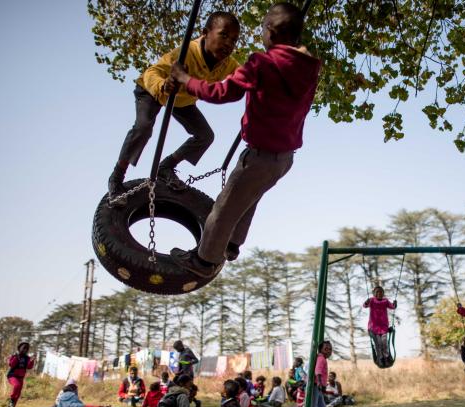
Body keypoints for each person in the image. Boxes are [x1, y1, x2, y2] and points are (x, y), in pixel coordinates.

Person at [169, 2, 321, 278]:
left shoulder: (260, 63)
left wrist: (186, 79)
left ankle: (204, 260)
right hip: (285, 159)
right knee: (251, 197)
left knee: (224, 208)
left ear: (271, 32)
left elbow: (223, 92)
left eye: (262, 28)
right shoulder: (309, 68)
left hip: (259, 155)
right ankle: (232, 244)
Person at [107, 11, 241, 199]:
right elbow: (153, 72)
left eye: (234, 40)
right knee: (144, 127)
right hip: (152, 90)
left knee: (205, 135)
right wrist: (164, 85)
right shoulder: (187, 52)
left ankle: (167, 166)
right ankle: (117, 176)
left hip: (182, 99)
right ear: (205, 32)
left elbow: (246, 76)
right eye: (224, 35)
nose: (228, 44)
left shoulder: (228, 64)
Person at [363, 286, 397, 366]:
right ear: (374, 294)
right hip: (374, 327)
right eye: (377, 292)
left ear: (383, 293)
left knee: (384, 343)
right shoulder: (371, 300)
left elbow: (392, 307)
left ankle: (386, 357)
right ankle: (380, 358)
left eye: (381, 292)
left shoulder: (385, 301)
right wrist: (366, 302)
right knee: (378, 343)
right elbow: (365, 306)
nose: (379, 293)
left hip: (383, 327)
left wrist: (395, 304)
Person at [40, 379, 111, 407]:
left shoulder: (64, 391)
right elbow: (76, 399)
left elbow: (59, 403)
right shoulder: (72, 392)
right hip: (71, 405)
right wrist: (81, 404)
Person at [6, 342, 35, 407]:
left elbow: (29, 367)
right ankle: (11, 400)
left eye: (26, 349)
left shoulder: (27, 358)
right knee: (17, 385)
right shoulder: (14, 356)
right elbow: (11, 364)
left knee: (18, 394)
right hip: (12, 375)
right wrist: (16, 357)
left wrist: (32, 360)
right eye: (23, 348)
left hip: (20, 377)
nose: (25, 350)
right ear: (19, 348)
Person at [310, 341, 332, 407]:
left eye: (330, 349)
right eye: (326, 349)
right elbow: (318, 371)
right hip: (316, 386)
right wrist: (319, 383)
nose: (328, 351)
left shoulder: (322, 358)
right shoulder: (321, 358)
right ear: (320, 350)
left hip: (319, 387)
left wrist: (323, 385)